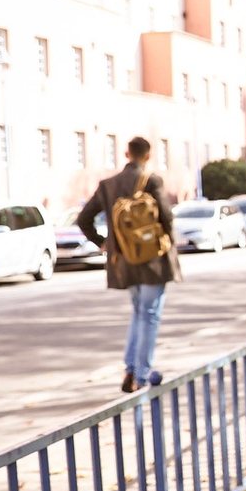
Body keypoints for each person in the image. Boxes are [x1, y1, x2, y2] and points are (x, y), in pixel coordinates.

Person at [76, 136, 181, 393]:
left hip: (124, 261)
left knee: (138, 312)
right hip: (153, 260)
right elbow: (166, 216)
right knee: (150, 314)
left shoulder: (108, 185)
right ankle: (142, 373)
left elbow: (83, 219)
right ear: (147, 155)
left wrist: (103, 242)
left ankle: (131, 367)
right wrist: (168, 240)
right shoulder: (151, 180)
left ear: (126, 154)